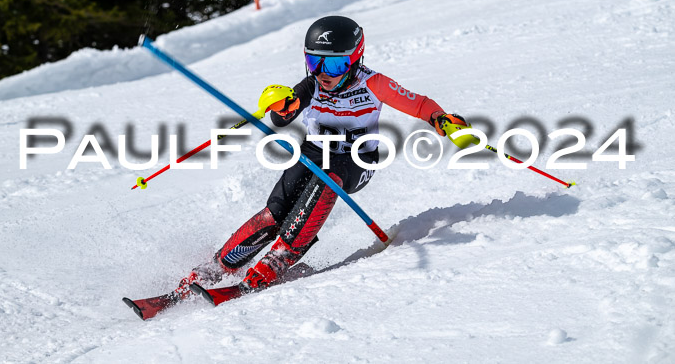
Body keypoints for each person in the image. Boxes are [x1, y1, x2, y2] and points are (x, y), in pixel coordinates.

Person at [174, 15, 467, 297]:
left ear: (355, 59)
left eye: (336, 64)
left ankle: (278, 259)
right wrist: (281, 106)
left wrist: (441, 118)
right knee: (275, 212)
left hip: (357, 160)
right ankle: (215, 268)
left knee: (330, 175)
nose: (325, 73)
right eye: (315, 62)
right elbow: (282, 117)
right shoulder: (311, 84)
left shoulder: (374, 84)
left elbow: (419, 104)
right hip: (313, 153)